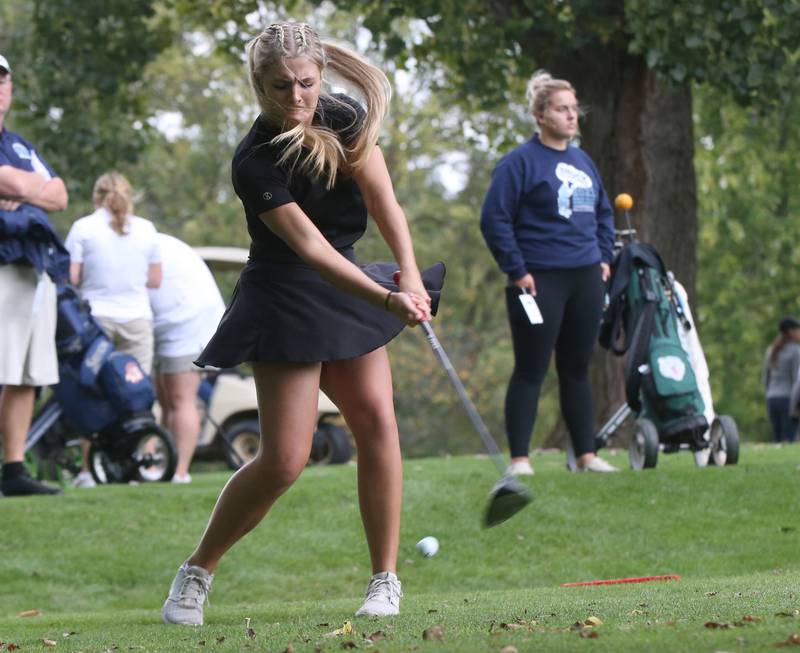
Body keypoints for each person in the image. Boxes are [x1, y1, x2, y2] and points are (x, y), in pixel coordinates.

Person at [161, 22, 443, 626]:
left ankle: (384, 582)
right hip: (285, 292)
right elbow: (311, 250)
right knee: (285, 459)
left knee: (376, 424)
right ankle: (196, 572)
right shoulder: (254, 160)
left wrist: (411, 278)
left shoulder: (344, 118)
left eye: (306, 83)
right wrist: (385, 299)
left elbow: (384, 203)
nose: (296, 97)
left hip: (350, 283)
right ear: (259, 85)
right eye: (281, 86)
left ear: (322, 76)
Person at [480, 70, 618, 475]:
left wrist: (604, 258)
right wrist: (517, 269)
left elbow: (603, 214)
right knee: (531, 368)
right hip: (538, 279)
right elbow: (494, 219)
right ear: (540, 115)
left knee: (577, 368)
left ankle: (586, 455)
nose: (572, 116)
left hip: (586, 276)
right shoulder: (518, 163)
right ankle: (520, 460)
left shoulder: (583, 160)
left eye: (574, 109)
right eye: (562, 109)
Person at [64, 172, 162, 487]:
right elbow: (155, 280)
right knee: (139, 393)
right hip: (137, 317)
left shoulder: (83, 228)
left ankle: (89, 471)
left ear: (96, 196)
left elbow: (71, 277)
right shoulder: (146, 230)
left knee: (92, 391)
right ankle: (142, 465)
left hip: (95, 320)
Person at [0, 54, 69, 497]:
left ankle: (13, 469)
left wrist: (23, 191)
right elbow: (28, 187)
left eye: (3, 80)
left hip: (33, 268)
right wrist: (28, 190)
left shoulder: (20, 144)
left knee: (25, 374)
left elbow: (58, 194)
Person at [149, 232, 226, 483]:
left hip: (188, 322)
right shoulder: (148, 239)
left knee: (181, 399)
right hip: (168, 322)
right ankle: (163, 466)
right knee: (165, 400)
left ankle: (179, 471)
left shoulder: (143, 242)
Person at [762, 317, 800, 443]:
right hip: (788, 399)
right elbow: (796, 381)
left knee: (777, 440)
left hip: (772, 399)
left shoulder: (771, 350)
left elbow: (766, 379)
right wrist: (796, 405)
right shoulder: (795, 351)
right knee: (789, 439)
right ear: (791, 331)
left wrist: (768, 397)